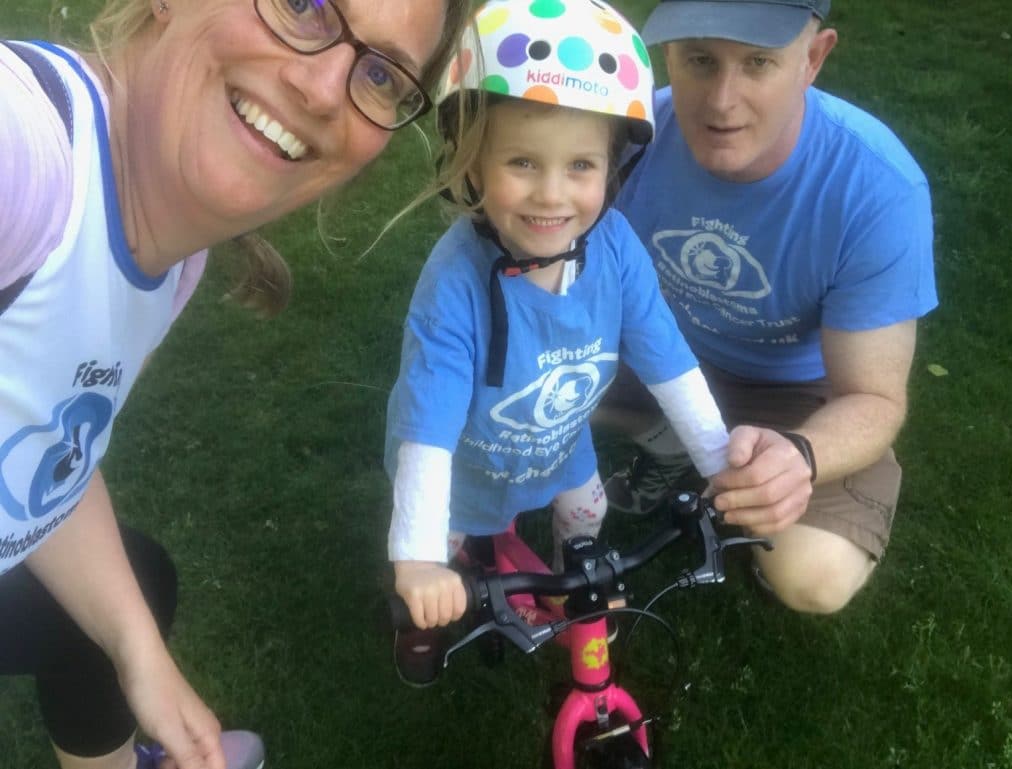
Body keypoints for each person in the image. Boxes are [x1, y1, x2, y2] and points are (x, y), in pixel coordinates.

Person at [0, 0, 469, 765]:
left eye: (381, 74)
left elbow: (47, 449)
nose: (324, 90)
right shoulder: (25, 156)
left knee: (141, 583)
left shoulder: (174, 259)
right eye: (305, 6)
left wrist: (139, 656)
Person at [385, 0, 735, 686]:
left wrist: (720, 460)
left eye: (581, 165)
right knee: (440, 568)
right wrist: (418, 558)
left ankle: (571, 573)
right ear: (471, 162)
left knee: (589, 511)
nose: (552, 195)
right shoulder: (454, 283)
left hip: (556, 437)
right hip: (462, 465)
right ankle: (421, 620)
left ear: (616, 166)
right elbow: (428, 434)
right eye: (521, 160)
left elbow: (667, 358)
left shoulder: (615, 249)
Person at [599, 0, 937, 614]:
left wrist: (801, 458)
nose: (722, 101)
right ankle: (671, 435)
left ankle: (725, 461)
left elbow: (874, 397)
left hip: (793, 393)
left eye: (757, 62)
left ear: (813, 58)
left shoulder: (877, 187)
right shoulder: (630, 135)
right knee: (500, 376)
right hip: (659, 351)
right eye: (700, 59)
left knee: (814, 579)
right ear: (666, 55)